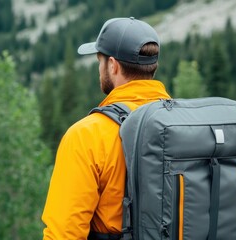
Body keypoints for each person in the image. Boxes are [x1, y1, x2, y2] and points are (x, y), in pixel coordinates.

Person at [42, 17, 171, 240]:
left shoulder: (86, 136)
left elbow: (64, 233)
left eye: (99, 61)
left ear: (112, 66)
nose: (99, 69)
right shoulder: (180, 124)